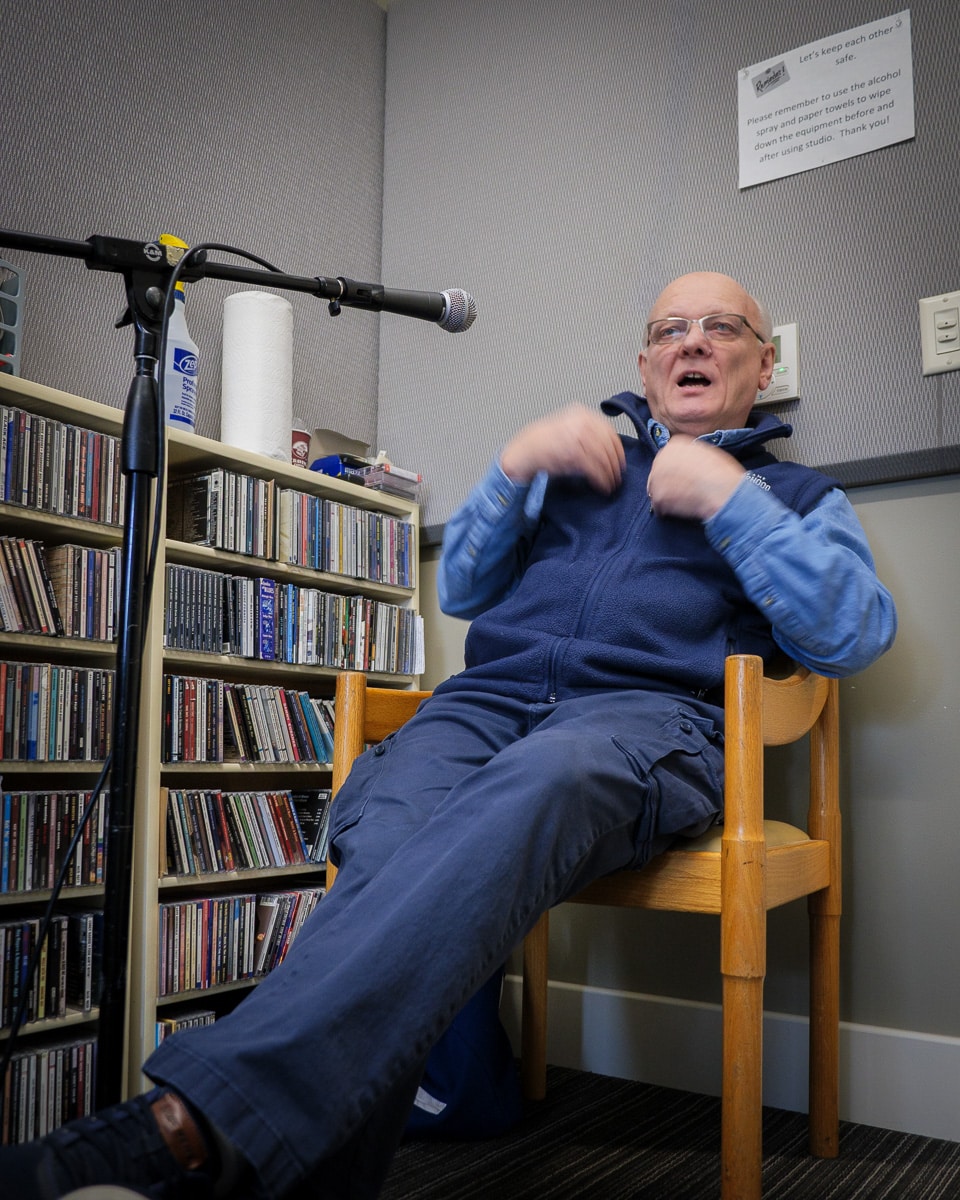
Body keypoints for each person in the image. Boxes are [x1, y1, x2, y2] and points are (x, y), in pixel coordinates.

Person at [2, 271, 897, 1200]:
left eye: (723, 327)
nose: (695, 342)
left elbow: (854, 632)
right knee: (384, 817)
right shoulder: (583, 468)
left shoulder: (794, 491)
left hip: (641, 724)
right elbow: (466, 588)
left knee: (546, 775)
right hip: (488, 702)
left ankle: (187, 1132)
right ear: (645, 360)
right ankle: (351, 1130)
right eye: (672, 328)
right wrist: (514, 469)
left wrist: (730, 498)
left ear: (763, 362)